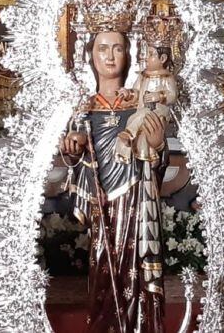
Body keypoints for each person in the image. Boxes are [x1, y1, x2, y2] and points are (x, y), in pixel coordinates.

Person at [59, 29, 168, 332]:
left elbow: (159, 164)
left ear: (128, 55)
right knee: (103, 275)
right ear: (90, 56)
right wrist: (72, 150)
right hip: (101, 204)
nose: (109, 56)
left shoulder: (141, 103)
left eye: (117, 48)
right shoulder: (82, 109)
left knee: (137, 275)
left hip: (137, 202)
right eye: (102, 48)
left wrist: (158, 145)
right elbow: (74, 160)